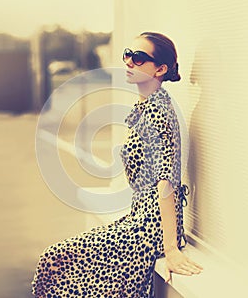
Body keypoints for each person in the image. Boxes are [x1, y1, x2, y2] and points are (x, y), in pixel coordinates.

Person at [31, 32, 203, 298]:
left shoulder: (158, 112)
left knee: (54, 261)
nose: (129, 62)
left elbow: (166, 181)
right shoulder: (147, 104)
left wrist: (170, 249)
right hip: (139, 218)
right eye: (127, 55)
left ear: (160, 69)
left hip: (149, 229)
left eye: (139, 58)